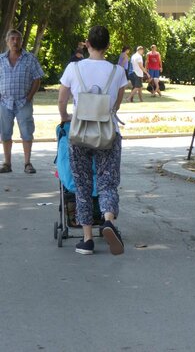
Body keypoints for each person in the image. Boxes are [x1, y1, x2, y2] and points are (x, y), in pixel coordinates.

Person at [57, 25, 128, 255]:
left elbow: (61, 100)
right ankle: (108, 220)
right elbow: (117, 104)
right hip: (107, 133)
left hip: (79, 133)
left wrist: (66, 117)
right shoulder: (117, 71)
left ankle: (87, 239)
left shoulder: (73, 68)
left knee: (82, 185)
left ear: (87, 44)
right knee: (107, 181)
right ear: (108, 46)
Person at [0, 29, 45, 174]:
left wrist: (29, 97)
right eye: (12, 39)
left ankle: (27, 163)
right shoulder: (1, 60)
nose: (15, 41)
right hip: (4, 103)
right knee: (5, 134)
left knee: (27, 133)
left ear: (21, 41)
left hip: (23, 103)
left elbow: (37, 79)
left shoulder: (30, 58)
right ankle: (7, 164)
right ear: (7, 41)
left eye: (17, 39)